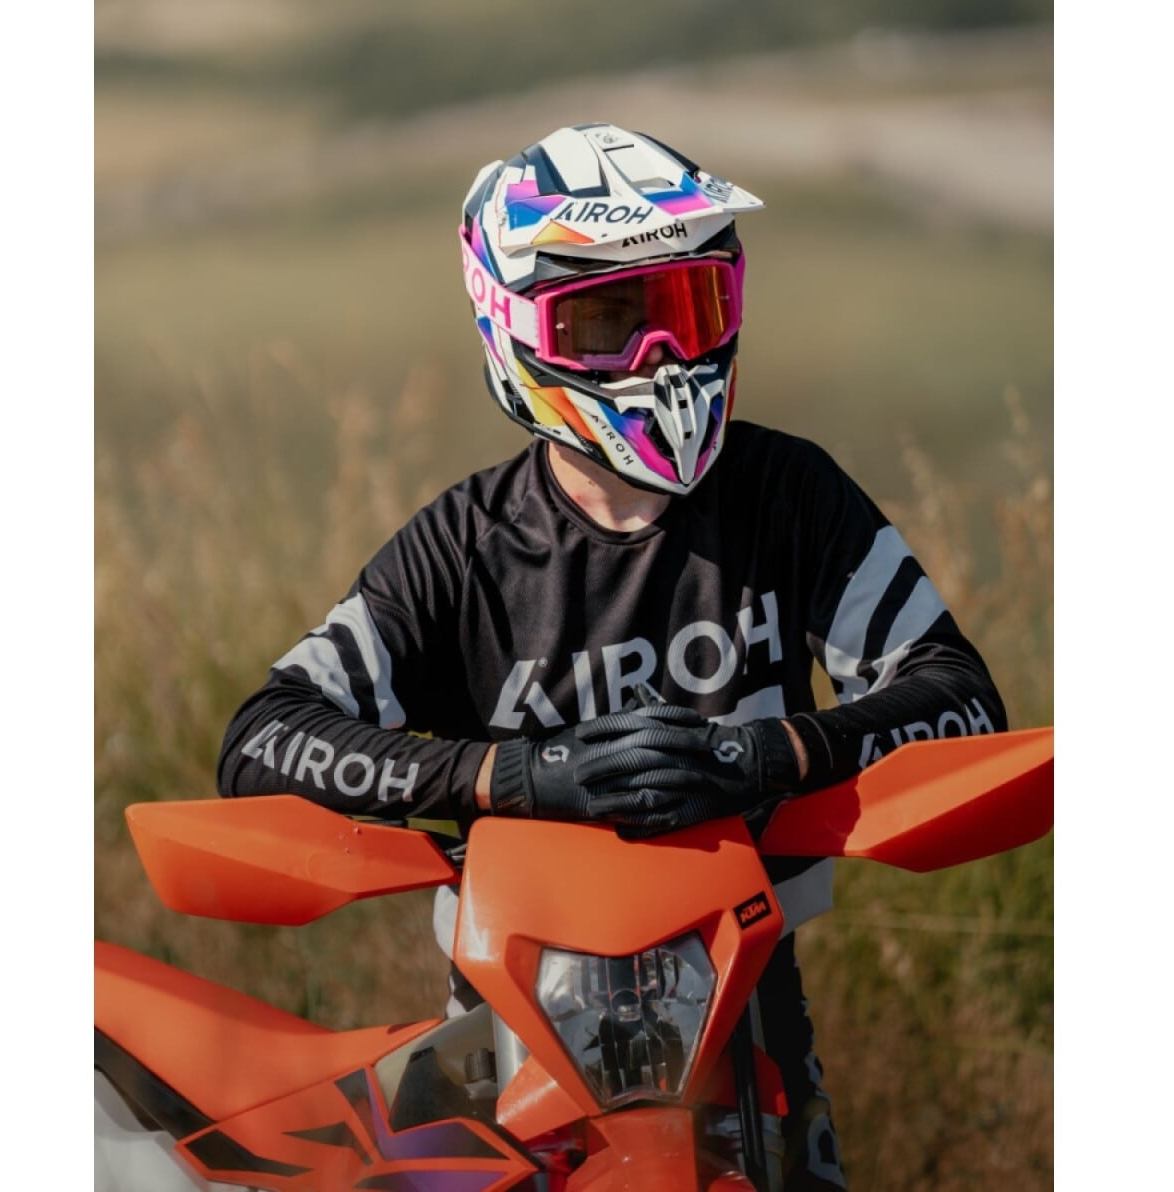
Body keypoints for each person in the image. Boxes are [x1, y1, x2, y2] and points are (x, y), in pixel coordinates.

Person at [217, 123, 1006, 1190]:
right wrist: (509, 777)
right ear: (512, 327)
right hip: (507, 1058)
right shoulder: (463, 549)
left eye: (688, 307)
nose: (659, 356)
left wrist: (766, 756)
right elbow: (261, 738)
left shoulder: (786, 496)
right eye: (605, 323)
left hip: (747, 1047)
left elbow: (960, 696)